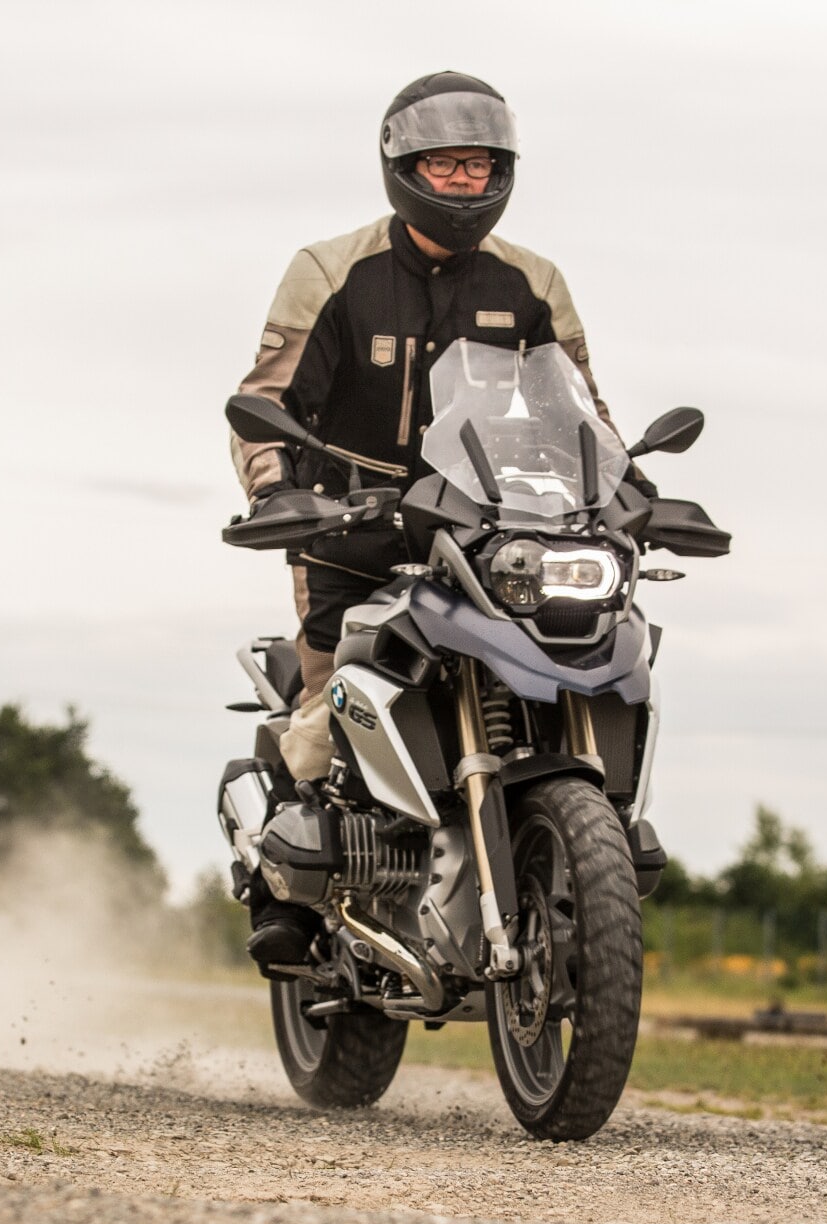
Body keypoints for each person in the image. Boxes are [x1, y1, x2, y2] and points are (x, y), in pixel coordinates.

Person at [229, 71, 618, 965]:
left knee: (574, 655)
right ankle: (287, 882)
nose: (464, 182)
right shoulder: (332, 271)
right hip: (351, 524)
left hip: (491, 526)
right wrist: (276, 490)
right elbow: (263, 399)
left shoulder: (532, 283)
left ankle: (587, 839)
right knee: (332, 702)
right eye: (445, 166)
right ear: (403, 167)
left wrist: (624, 493)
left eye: (480, 165)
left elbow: (586, 416)